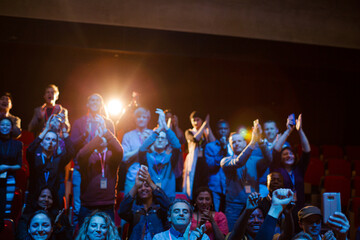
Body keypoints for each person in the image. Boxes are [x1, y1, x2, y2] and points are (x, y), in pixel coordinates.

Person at [71, 93, 115, 225]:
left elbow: (113, 144)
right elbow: (72, 143)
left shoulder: (108, 122)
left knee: (101, 206)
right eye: (92, 100)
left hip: (101, 169)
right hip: (82, 168)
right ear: (87, 104)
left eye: (98, 100)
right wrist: (85, 134)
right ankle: (78, 233)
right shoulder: (80, 122)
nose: (95, 102)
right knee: (79, 206)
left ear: (102, 104)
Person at [220, 120, 272, 231]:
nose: (237, 143)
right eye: (233, 142)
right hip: (234, 207)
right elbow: (239, 162)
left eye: (239, 141)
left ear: (244, 143)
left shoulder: (255, 160)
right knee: (234, 235)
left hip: (253, 205)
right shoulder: (225, 161)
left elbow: (269, 159)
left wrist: (260, 141)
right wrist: (253, 142)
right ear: (230, 145)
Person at [76, 114, 123, 226]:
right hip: (88, 205)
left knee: (108, 235)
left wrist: (105, 132)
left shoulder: (112, 155)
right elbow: (80, 155)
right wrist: (98, 137)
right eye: (98, 132)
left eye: (103, 134)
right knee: (85, 236)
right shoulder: (88, 155)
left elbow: (119, 150)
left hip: (107, 205)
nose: (101, 136)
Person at [26, 117, 74, 205]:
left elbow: (71, 151)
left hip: (53, 200)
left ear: (56, 144)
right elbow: (29, 150)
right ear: (41, 142)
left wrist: (63, 129)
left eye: (53, 140)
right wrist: (46, 130)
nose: (50, 142)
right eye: (47, 139)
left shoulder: (58, 160)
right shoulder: (35, 158)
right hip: (35, 199)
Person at [270, 114, 311, 213]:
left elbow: (307, 151)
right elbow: (276, 150)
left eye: (291, 153)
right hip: (281, 208)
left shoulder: (299, 169)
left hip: (299, 208)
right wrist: (288, 130)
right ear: (280, 158)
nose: (289, 155)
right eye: (285, 154)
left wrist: (300, 130)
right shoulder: (277, 168)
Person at [138, 108, 182, 199]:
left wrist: (165, 127)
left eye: (163, 138)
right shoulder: (148, 157)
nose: (160, 139)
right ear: (153, 141)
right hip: (151, 196)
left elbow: (177, 146)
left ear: (167, 142)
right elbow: (142, 149)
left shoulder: (170, 158)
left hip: (168, 196)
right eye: (158, 138)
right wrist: (157, 131)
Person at [118, 167, 171, 240]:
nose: (143, 189)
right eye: (140, 187)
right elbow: (122, 211)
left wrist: (151, 182)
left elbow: (169, 207)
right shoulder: (134, 210)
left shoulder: (160, 209)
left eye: (147, 186)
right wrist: (136, 186)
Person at [226, 191, 293, 240]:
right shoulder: (241, 237)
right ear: (245, 220)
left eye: (260, 217)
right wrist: (247, 210)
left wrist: (288, 213)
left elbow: (287, 236)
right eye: (251, 217)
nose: (256, 220)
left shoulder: (271, 237)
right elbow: (235, 236)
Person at [183, 111, 216, 199]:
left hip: (204, 162)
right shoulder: (189, 132)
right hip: (194, 162)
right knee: (194, 184)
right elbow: (195, 139)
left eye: (198, 120)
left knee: (205, 184)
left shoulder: (205, 132)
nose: (195, 122)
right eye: (193, 120)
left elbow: (214, 143)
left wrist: (208, 126)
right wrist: (204, 125)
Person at [122, 107, 153, 194]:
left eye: (144, 117)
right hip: (132, 177)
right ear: (134, 119)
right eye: (139, 117)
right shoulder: (128, 136)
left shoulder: (153, 135)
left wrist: (150, 143)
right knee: (129, 205)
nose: (141, 119)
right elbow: (124, 158)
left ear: (148, 119)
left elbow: (158, 156)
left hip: (151, 177)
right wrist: (142, 147)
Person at [204, 120, 232, 212]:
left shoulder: (233, 145)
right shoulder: (210, 147)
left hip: (231, 186)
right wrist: (222, 150)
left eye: (225, 128)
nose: (223, 131)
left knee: (229, 215)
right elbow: (211, 165)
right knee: (215, 214)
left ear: (229, 130)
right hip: (215, 186)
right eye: (220, 129)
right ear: (216, 131)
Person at [0, 117, 22, 230]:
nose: (4, 127)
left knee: (5, 209)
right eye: (2, 124)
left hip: (9, 178)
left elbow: (19, 165)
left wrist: (5, 167)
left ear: (12, 128)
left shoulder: (17, 144)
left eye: (7, 125)